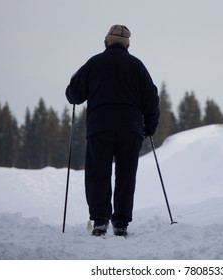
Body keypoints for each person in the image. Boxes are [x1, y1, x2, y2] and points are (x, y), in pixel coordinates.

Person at [65, 24, 160, 237]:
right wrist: (150, 127)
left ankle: (100, 221)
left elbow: (74, 95)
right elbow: (151, 99)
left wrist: (73, 84)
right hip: (130, 129)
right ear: (128, 45)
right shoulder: (137, 66)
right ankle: (121, 223)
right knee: (126, 175)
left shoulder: (94, 63)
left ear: (105, 43)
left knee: (98, 173)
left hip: (100, 127)